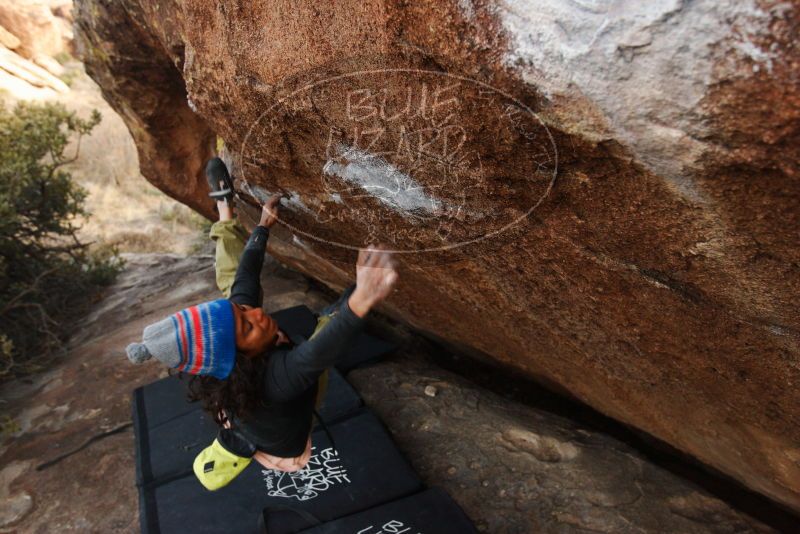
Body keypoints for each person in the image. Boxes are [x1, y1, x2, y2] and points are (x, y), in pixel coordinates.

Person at [126, 157, 398, 476]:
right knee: (326, 329)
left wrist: (261, 229)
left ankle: (224, 213)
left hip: (257, 384)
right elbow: (315, 355)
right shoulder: (274, 381)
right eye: (247, 325)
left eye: (242, 312)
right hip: (288, 432)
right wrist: (362, 298)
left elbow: (245, 280)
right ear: (242, 357)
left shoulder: (231, 344)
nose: (256, 313)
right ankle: (336, 309)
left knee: (232, 283)